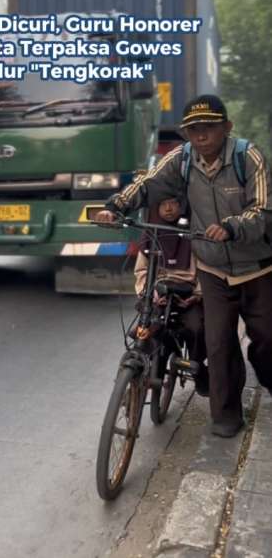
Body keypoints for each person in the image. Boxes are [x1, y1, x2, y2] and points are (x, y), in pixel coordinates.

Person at [97, 94, 272, 438]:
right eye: (193, 130)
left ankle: (267, 374)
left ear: (227, 127)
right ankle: (225, 415)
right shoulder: (183, 158)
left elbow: (264, 210)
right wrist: (116, 206)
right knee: (218, 343)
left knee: (267, 340)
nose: (200, 135)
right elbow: (149, 183)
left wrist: (234, 226)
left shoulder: (247, 157)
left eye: (208, 127)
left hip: (258, 268)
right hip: (212, 268)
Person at [134, 197, 208, 397]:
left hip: (188, 294)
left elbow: (206, 269)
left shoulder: (194, 234)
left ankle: (197, 368)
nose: (167, 207)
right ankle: (144, 370)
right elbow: (141, 271)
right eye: (162, 203)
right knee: (145, 327)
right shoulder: (150, 234)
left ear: (182, 205)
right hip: (157, 292)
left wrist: (197, 295)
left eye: (173, 203)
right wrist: (149, 293)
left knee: (197, 328)